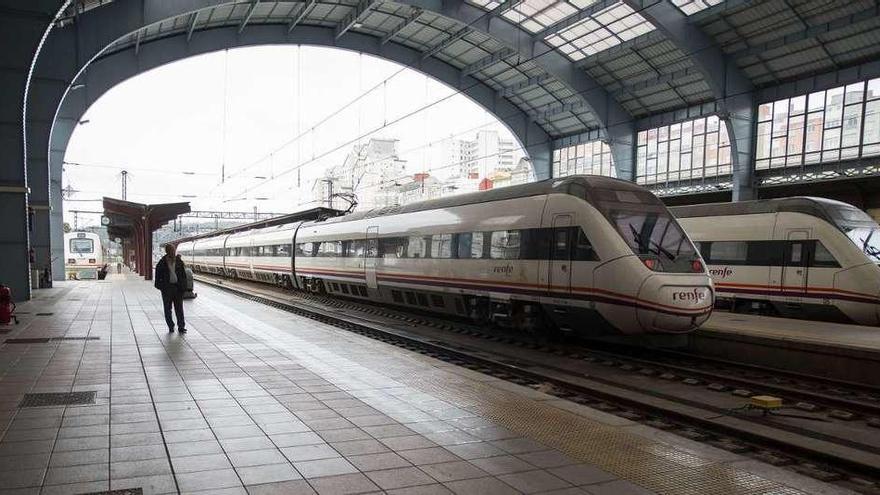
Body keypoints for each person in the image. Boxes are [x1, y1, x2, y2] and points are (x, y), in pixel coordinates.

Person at [155, 244, 187, 333]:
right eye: (171, 250)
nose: (173, 252)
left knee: (179, 309)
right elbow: (157, 277)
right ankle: (171, 326)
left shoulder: (179, 261)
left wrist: (183, 287)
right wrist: (162, 287)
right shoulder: (162, 262)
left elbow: (183, 275)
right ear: (167, 251)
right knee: (167, 309)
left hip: (177, 288)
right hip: (167, 289)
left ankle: (181, 326)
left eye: (174, 250)